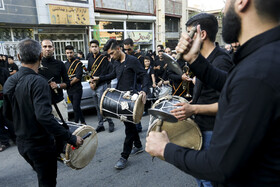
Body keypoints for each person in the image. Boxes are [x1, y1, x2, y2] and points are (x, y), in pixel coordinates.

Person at [146, 0, 280, 186]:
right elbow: (230, 85)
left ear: (242, 2)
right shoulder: (263, 58)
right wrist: (194, 59)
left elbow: (219, 166)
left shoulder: (258, 70)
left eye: (226, 2)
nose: (223, 11)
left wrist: (164, 149)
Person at [3, 39, 83, 186]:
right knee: (47, 181)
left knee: (42, 175)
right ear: (40, 56)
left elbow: (7, 115)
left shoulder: (10, 81)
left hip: (22, 144)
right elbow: (44, 117)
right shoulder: (38, 82)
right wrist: (71, 138)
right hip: (40, 145)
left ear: (19, 57)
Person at [178, 13, 234, 187]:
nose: (185, 38)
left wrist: (193, 109)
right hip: (202, 128)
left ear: (202, 34)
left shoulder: (221, 61)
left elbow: (228, 104)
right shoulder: (204, 59)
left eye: (189, 33)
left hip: (213, 131)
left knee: (209, 179)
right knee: (201, 177)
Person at [92, 39, 148, 170]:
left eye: (111, 53)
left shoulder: (132, 60)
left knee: (129, 127)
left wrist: (144, 90)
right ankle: (139, 145)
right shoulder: (115, 62)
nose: (110, 57)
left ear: (119, 49)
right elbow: (113, 74)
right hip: (120, 98)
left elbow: (144, 75)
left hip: (131, 99)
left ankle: (124, 156)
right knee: (129, 125)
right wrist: (99, 78)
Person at [39, 39, 70, 121]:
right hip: (43, 105)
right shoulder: (36, 64)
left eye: (50, 46)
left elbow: (67, 83)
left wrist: (58, 85)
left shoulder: (60, 64)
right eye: (45, 46)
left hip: (59, 103)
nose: (47, 49)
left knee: (64, 129)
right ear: (41, 48)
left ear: (53, 49)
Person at [87, 40, 115, 133]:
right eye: (92, 46)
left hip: (101, 85)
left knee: (103, 106)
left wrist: (97, 82)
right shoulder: (90, 58)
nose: (94, 48)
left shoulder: (103, 59)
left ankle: (111, 122)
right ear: (90, 48)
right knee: (97, 107)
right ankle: (100, 124)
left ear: (98, 47)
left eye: (95, 46)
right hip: (93, 86)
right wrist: (90, 83)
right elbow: (89, 72)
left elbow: (106, 73)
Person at [123, 38, 144, 132]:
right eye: (125, 50)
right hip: (129, 85)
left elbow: (142, 73)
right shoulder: (125, 58)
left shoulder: (139, 57)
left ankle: (138, 125)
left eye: (129, 49)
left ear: (133, 46)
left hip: (137, 84)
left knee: (136, 107)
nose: (127, 52)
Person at [64, 45, 86, 124]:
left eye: (71, 52)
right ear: (65, 53)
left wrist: (67, 84)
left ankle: (76, 123)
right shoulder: (65, 64)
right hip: (69, 90)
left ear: (74, 53)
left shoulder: (78, 63)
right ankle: (83, 122)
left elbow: (78, 77)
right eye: (67, 53)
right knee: (75, 108)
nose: (69, 54)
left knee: (76, 107)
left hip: (77, 89)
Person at [0, 67, 15, 152]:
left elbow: (9, 85)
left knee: (9, 119)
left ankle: (15, 137)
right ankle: (4, 142)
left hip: (5, 99)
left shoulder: (4, 71)